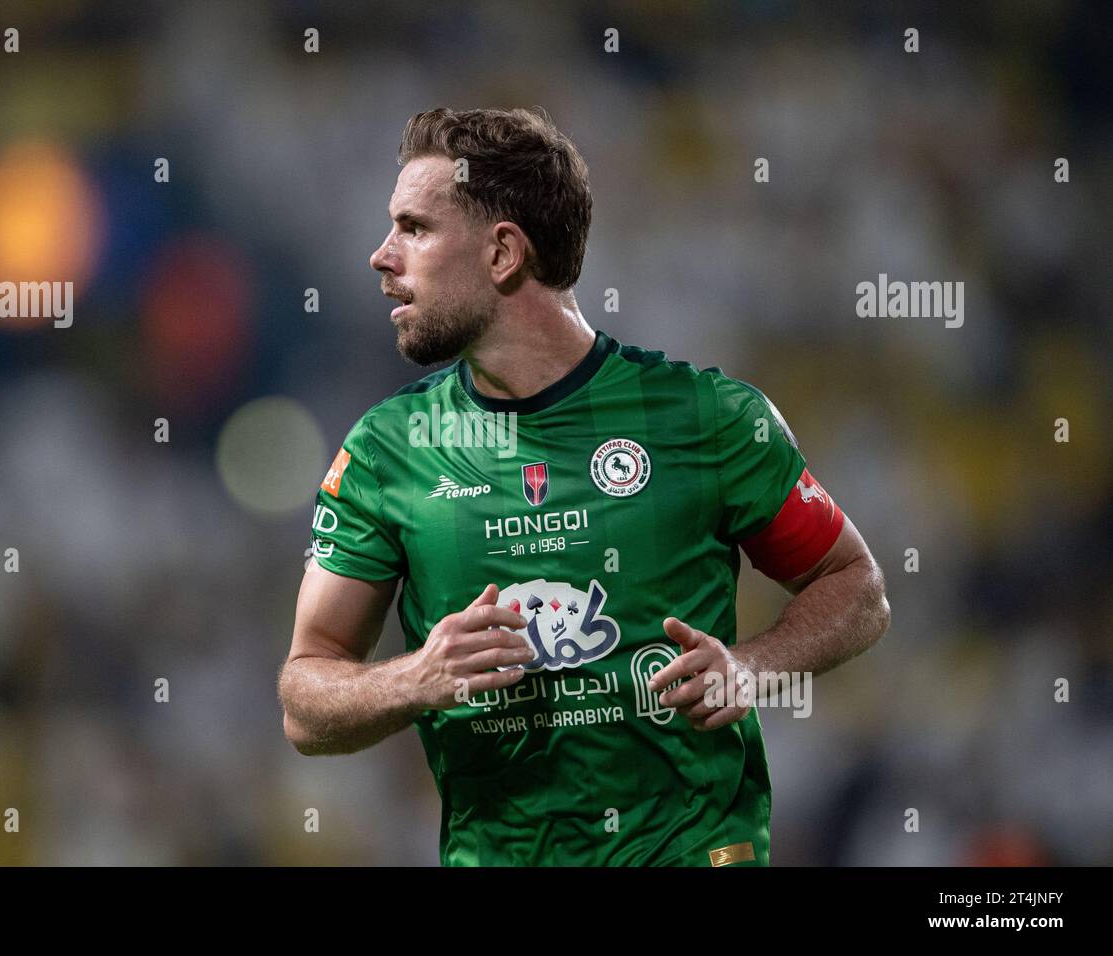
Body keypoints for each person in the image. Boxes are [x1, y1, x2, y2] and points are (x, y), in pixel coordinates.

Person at [278, 106, 891, 866]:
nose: (381, 255)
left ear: (503, 252)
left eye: (414, 228)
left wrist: (752, 666)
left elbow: (856, 585)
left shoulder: (707, 417)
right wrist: (417, 678)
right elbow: (306, 699)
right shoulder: (386, 450)